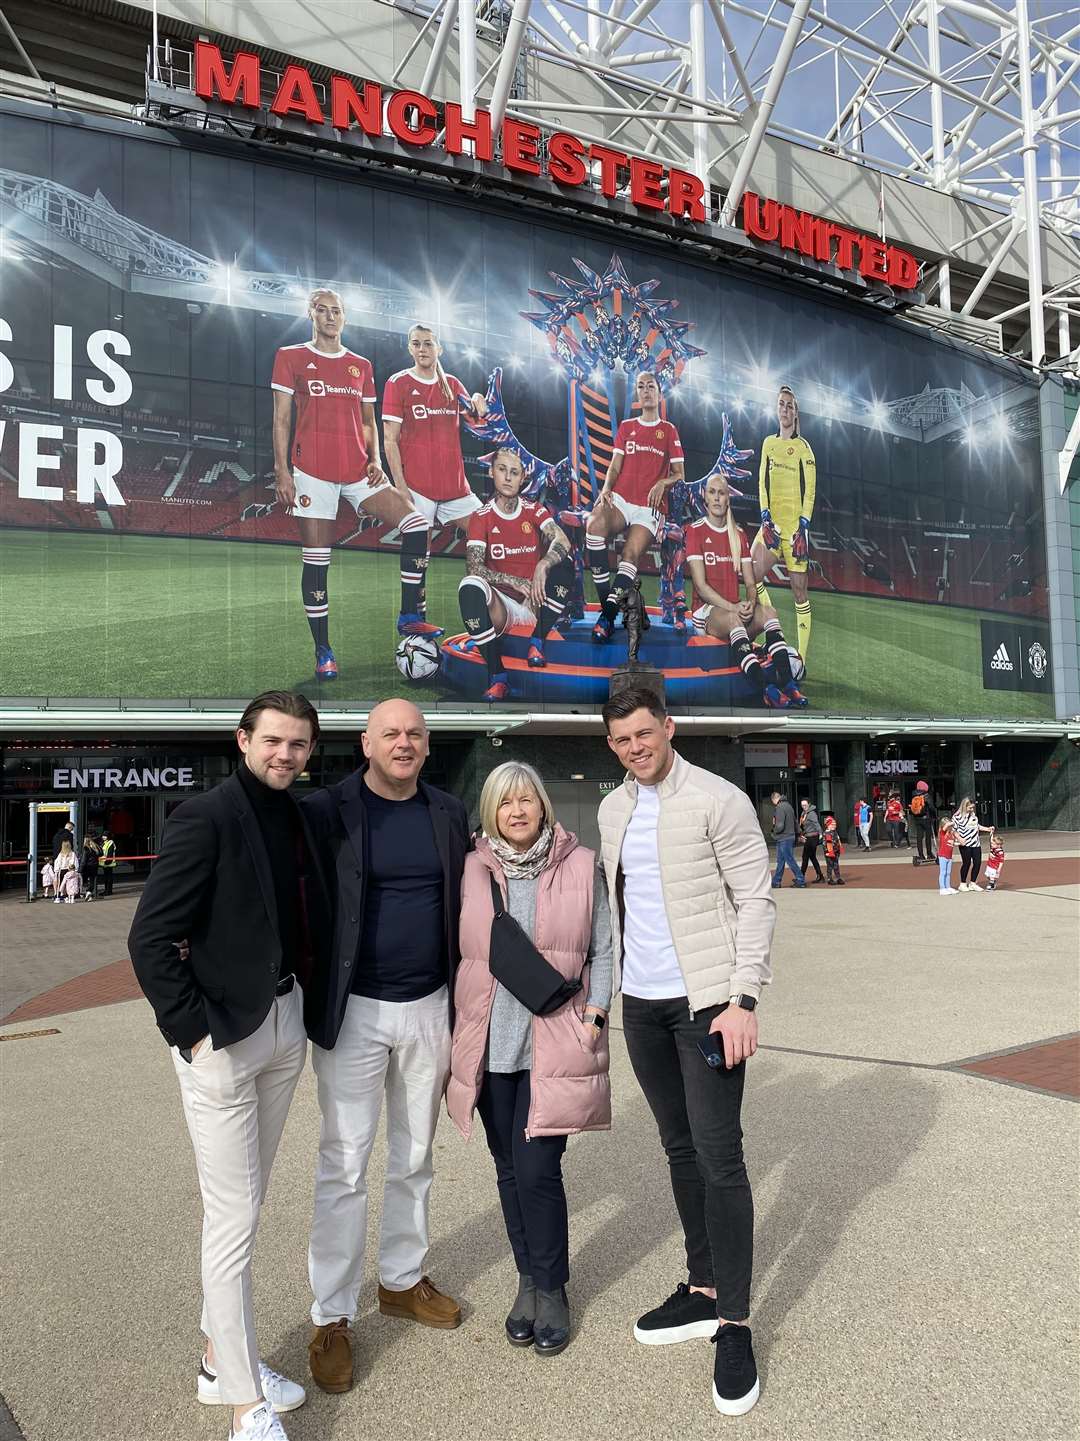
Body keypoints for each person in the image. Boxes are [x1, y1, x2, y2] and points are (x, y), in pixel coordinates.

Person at [129, 691, 325, 1441]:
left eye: (299, 744)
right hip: (222, 1040)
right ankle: (243, 1400)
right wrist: (194, 1035)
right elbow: (149, 938)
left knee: (245, 1203)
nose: (285, 754)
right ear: (244, 740)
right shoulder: (203, 817)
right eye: (273, 740)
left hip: (282, 1025)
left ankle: (220, 1356)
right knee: (234, 1217)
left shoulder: (300, 816)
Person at [597, 688, 775, 1417]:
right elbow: (617, 912)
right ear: (610, 744)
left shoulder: (717, 798)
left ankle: (733, 1320)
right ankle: (703, 1287)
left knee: (719, 1154)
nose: (636, 747)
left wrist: (743, 999)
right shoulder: (613, 809)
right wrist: (604, 996)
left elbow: (756, 899)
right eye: (622, 739)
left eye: (645, 733)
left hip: (706, 1007)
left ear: (669, 727)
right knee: (677, 1149)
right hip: (642, 1008)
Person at [302, 698, 470, 1397]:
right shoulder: (326, 809)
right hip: (355, 1010)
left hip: (430, 1003)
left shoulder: (448, 812)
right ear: (366, 742)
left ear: (427, 745)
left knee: (417, 1153)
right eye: (391, 733)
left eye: (415, 734)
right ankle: (332, 1315)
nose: (404, 743)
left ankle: (400, 1279)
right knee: (343, 1163)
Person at [446, 762, 612, 1356]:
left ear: (544, 804)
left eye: (526, 800)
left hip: (553, 1043)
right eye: (503, 802)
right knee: (509, 1169)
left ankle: (553, 1287)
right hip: (489, 1047)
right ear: (490, 811)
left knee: (539, 1171)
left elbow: (603, 948)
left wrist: (595, 1013)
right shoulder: (469, 868)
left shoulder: (580, 864)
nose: (517, 811)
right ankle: (526, 1280)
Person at [272, 289, 437, 683]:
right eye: (323, 310)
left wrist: (376, 460)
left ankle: (409, 614)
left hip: (359, 470)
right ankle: (323, 650)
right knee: (317, 563)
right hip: (311, 471)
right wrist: (282, 471)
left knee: (416, 525)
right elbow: (281, 419)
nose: (330, 316)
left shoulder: (359, 365)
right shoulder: (290, 357)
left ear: (344, 318)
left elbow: (368, 421)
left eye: (337, 311)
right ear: (310, 314)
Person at [382, 322, 490, 629]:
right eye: (416, 343)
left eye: (428, 343)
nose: (422, 349)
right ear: (409, 348)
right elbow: (390, 440)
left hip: (456, 488)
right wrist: (400, 488)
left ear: (438, 349)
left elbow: (477, 415)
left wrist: (480, 398)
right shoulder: (398, 383)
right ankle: (410, 615)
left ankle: (501, 605)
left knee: (489, 535)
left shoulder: (452, 384)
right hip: (418, 487)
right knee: (418, 550)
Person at [458, 448, 574, 702]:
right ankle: (498, 677)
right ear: (492, 472)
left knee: (566, 561)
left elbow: (562, 539)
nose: (508, 478)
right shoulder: (481, 517)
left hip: (535, 600)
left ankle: (537, 641)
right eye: (502, 470)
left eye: (515, 472)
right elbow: (474, 567)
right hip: (502, 606)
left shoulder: (534, 510)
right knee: (469, 586)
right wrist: (514, 581)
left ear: (523, 478)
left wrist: (543, 565)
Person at [683, 473, 807, 708]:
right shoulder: (695, 530)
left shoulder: (739, 535)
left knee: (769, 612)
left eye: (722, 493)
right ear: (705, 497)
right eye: (712, 493)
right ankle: (764, 689)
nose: (717, 498)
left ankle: (787, 684)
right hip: (707, 614)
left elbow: (751, 584)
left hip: (735, 612)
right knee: (733, 620)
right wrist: (734, 608)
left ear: (728, 498)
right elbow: (701, 586)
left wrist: (750, 603)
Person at [586, 371, 685, 642]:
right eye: (641, 386)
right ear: (637, 394)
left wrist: (662, 483)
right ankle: (609, 601)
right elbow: (615, 465)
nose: (645, 390)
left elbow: (680, 474)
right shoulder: (627, 426)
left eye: (651, 386)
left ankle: (606, 616)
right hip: (621, 498)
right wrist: (606, 488)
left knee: (629, 556)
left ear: (659, 393)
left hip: (648, 507)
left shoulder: (668, 430)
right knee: (593, 526)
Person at [751, 385, 816, 666]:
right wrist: (765, 516)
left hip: (795, 532)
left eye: (790, 405)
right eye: (781, 404)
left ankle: (801, 657)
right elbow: (761, 482)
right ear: (777, 409)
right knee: (751, 574)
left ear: (796, 412)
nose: (785, 409)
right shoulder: (768, 443)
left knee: (799, 593)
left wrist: (803, 525)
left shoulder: (803, 448)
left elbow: (810, 489)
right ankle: (771, 627)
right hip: (771, 528)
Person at [951, 797, 992, 891]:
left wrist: (987, 829)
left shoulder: (973, 815)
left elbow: (976, 826)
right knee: (967, 863)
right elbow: (953, 830)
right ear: (964, 806)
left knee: (977, 862)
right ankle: (963, 883)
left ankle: (973, 882)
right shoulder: (956, 816)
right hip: (965, 843)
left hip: (975, 843)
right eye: (970, 808)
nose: (972, 809)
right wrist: (960, 838)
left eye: (973, 808)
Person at [769, 790, 805, 889]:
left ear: (774, 799)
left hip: (783, 837)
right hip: (789, 836)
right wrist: (799, 833)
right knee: (781, 860)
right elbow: (795, 821)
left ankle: (800, 879)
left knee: (788, 859)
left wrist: (773, 831)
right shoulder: (789, 806)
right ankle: (776, 881)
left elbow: (779, 825)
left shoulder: (779, 807)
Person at [909, 781, 937, 862]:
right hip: (927, 818)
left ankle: (921, 855)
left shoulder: (914, 795)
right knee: (928, 837)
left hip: (917, 819)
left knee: (919, 837)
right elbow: (931, 807)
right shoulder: (926, 795)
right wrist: (934, 816)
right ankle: (929, 854)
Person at [798, 798, 825, 882]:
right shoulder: (804, 813)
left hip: (813, 837)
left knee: (805, 857)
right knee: (812, 857)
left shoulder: (812, 813)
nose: (804, 807)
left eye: (805, 805)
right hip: (808, 837)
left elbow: (816, 824)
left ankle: (801, 877)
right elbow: (803, 825)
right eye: (802, 805)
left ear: (809, 804)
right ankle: (820, 876)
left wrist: (821, 834)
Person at [52, 840, 78, 904]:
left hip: (62, 870)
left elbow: (57, 863)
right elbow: (75, 862)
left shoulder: (61, 854)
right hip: (69, 870)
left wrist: (56, 871)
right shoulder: (72, 854)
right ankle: (67, 897)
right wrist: (75, 870)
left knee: (61, 884)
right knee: (69, 884)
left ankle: (59, 897)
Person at [937, 818, 957, 895]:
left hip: (949, 856)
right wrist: (952, 822)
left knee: (948, 873)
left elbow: (951, 843)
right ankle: (942, 888)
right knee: (943, 872)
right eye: (947, 825)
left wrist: (958, 844)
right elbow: (945, 827)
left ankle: (948, 887)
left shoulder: (951, 834)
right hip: (943, 856)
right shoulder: (942, 833)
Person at [822, 816, 845, 885]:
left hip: (836, 851)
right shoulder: (827, 833)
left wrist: (840, 847)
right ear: (828, 825)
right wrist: (829, 852)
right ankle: (829, 878)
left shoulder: (835, 832)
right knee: (830, 865)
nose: (834, 826)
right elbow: (827, 844)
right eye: (832, 824)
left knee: (836, 865)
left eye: (835, 824)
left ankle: (838, 878)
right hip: (829, 852)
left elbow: (838, 839)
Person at [80, 835, 100, 901]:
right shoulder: (95, 848)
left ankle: (88, 892)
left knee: (85, 881)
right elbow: (101, 853)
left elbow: (83, 860)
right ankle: (89, 894)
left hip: (87, 867)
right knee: (92, 880)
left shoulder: (86, 849)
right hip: (95, 866)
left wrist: (80, 869)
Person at [100, 829, 117, 896]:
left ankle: (108, 891)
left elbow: (110, 853)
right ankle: (106, 890)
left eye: (105, 836)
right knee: (106, 877)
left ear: (108, 836)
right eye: (103, 836)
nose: (103, 837)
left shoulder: (110, 843)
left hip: (108, 863)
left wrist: (107, 862)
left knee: (108, 878)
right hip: (105, 863)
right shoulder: (105, 842)